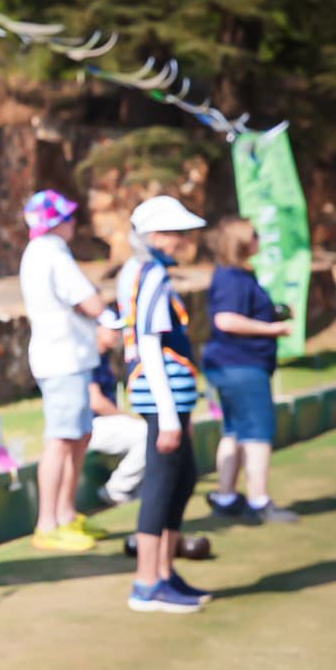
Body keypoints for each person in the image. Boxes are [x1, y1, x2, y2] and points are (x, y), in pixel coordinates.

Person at [118, 195, 211, 613]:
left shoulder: (143, 270)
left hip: (168, 393)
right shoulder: (151, 273)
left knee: (182, 478)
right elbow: (149, 343)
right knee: (162, 483)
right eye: (176, 233)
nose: (182, 241)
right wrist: (170, 415)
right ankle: (147, 583)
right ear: (155, 235)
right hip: (162, 394)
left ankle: (164, 573)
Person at [18, 189, 109, 552]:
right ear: (56, 222)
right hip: (63, 359)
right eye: (68, 217)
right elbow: (92, 302)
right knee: (61, 439)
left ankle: (66, 515)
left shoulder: (43, 251)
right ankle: (48, 523)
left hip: (69, 358)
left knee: (77, 436)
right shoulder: (52, 253)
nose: (74, 223)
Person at [203, 217, 298, 524]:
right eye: (254, 235)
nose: (259, 239)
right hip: (240, 365)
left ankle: (226, 497)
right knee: (257, 432)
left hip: (233, 365)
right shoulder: (231, 277)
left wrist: (273, 313)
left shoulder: (238, 275)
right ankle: (259, 501)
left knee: (235, 430)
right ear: (242, 241)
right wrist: (272, 329)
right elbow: (226, 320)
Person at [88, 317, 148, 506]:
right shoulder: (88, 357)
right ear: (97, 329)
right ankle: (117, 488)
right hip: (91, 426)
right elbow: (96, 402)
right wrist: (126, 416)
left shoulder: (104, 357)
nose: (117, 334)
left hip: (104, 423)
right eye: (112, 330)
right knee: (146, 433)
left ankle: (135, 488)